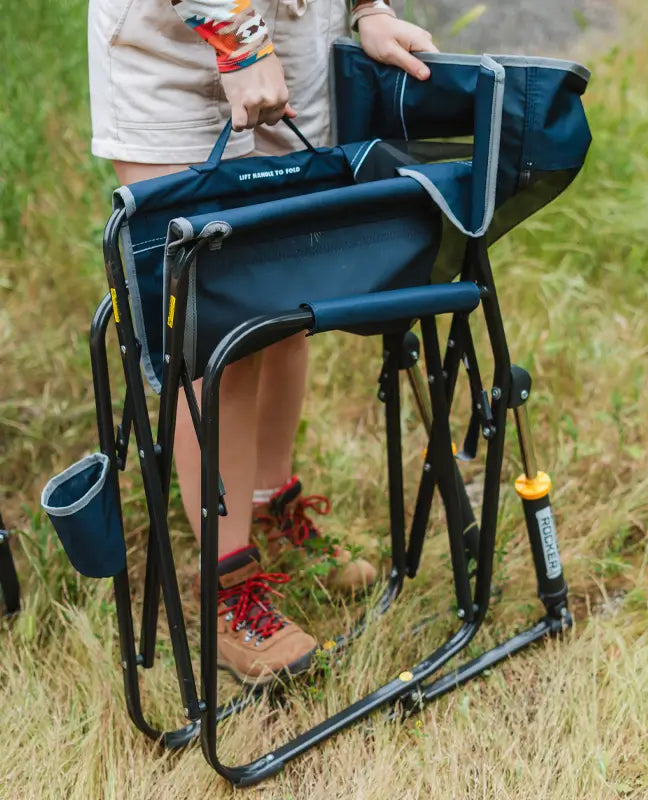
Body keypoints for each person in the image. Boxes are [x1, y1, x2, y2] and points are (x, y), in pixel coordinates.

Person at [88, 0, 437, 684]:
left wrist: (368, 7)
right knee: (216, 332)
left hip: (291, 43)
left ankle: (269, 504)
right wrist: (240, 40)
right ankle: (227, 590)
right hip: (178, 50)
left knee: (284, 303)